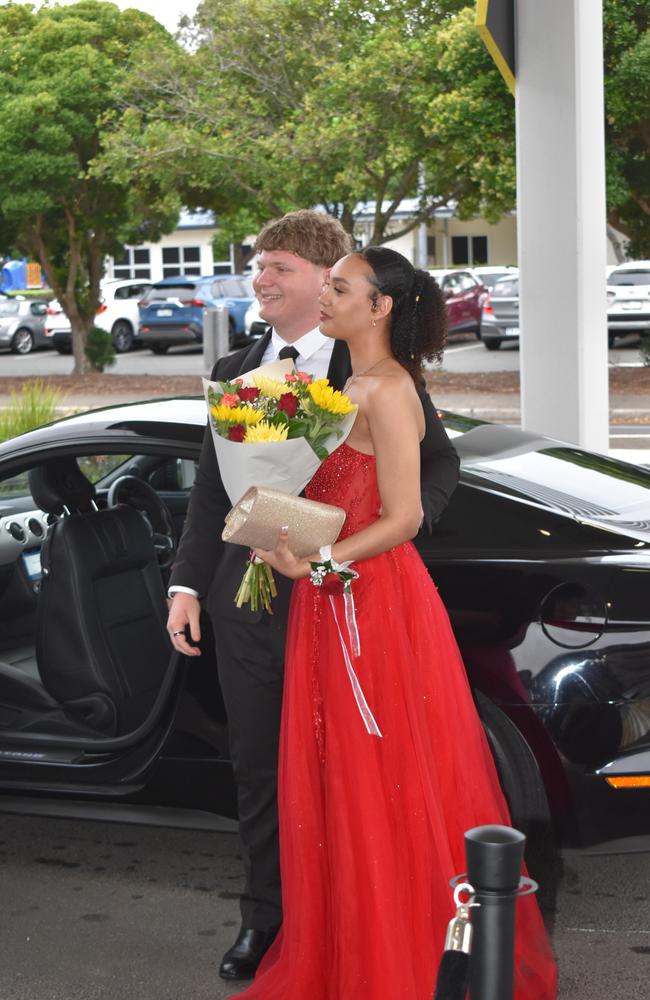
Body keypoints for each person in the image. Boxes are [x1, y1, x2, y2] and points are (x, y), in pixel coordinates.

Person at [234, 247, 557, 999]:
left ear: (379, 307)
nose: (327, 297)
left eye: (340, 288)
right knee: (341, 781)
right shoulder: (342, 385)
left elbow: (405, 517)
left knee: (381, 781)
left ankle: (397, 962)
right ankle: (351, 953)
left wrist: (320, 565)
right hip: (333, 596)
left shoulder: (387, 388)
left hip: (368, 604)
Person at [166, 211, 461, 981]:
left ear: (323, 279)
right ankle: (269, 922)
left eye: (280, 267)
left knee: (352, 772)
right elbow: (211, 493)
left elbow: (433, 478)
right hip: (250, 606)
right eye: (258, 266)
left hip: (344, 598)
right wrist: (188, 584)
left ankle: (352, 919)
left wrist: (348, 548)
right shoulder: (235, 367)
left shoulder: (372, 371)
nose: (261, 278)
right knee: (263, 767)